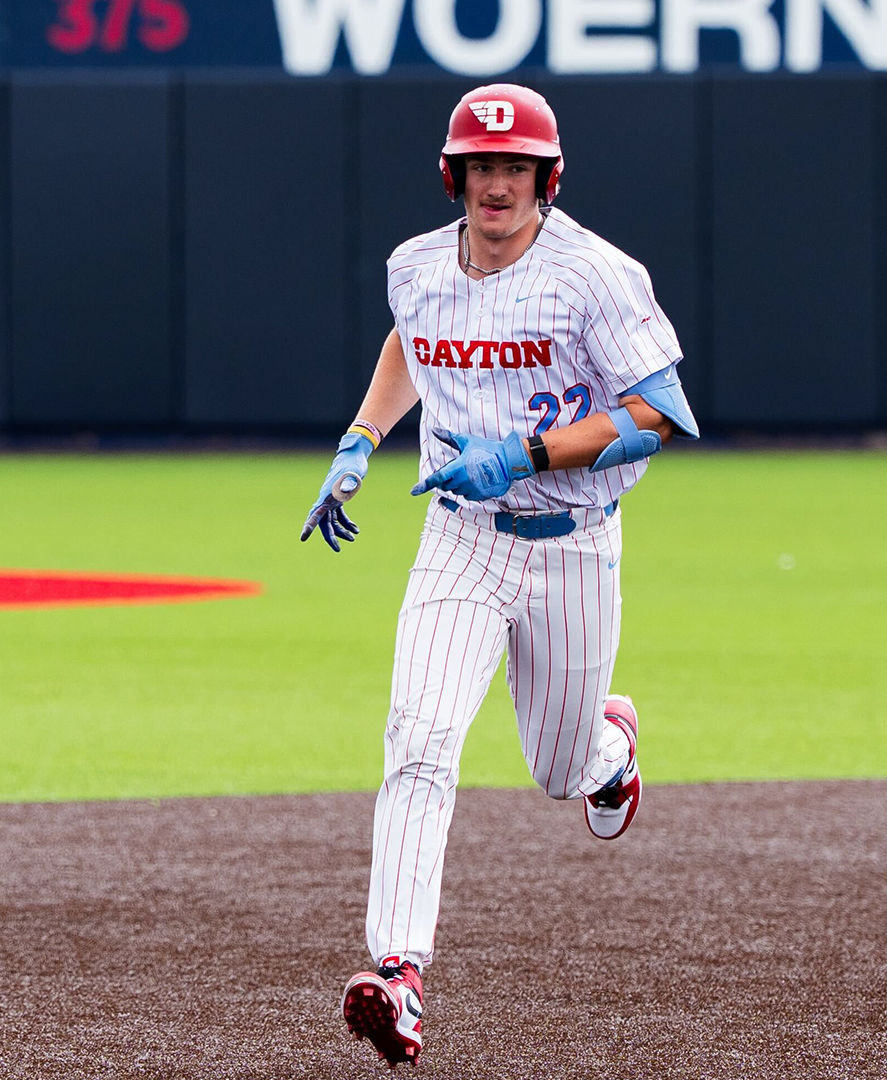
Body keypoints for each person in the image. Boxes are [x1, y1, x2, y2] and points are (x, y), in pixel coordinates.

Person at [299, 82, 699, 1068]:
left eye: (515, 165)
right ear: (454, 174)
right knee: (421, 742)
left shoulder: (596, 276)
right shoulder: (416, 266)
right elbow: (413, 342)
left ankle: (610, 747)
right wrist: (359, 440)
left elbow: (660, 415)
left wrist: (526, 456)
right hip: (460, 539)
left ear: (546, 178)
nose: (497, 182)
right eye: (482, 164)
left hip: (573, 542)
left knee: (559, 771)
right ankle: (398, 977)